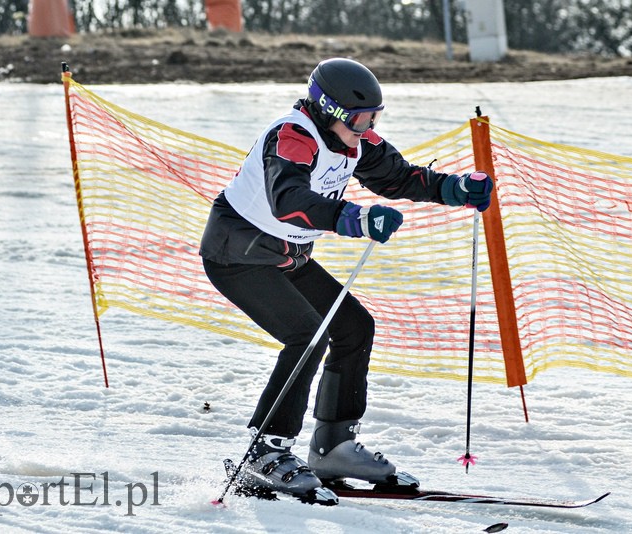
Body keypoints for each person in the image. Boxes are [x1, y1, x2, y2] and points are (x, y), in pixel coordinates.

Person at [200, 57, 493, 505]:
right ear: (329, 112)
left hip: (285, 255)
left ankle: (332, 447)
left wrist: (453, 189)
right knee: (307, 335)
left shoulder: (354, 140)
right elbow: (288, 201)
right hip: (237, 254)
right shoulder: (293, 137)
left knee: (354, 327)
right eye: (359, 119)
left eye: (374, 118)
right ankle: (266, 451)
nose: (367, 127)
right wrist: (353, 217)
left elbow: (397, 177)